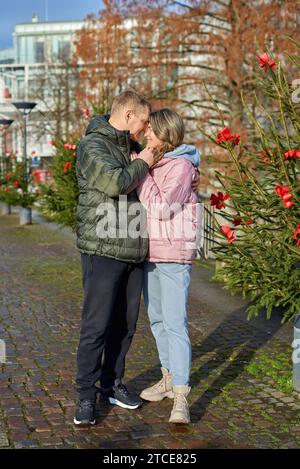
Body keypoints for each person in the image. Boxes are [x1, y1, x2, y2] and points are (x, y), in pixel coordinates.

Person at [74, 90, 155, 426]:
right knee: (96, 325)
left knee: (125, 325)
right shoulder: (93, 146)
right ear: (127, 115)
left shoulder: (129, 146)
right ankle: (85, 395)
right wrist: (145, 160)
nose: (145, 128)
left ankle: (111, 384)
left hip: (133, 247)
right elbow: (114, 182)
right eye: (143, 121)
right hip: (103, 248)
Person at [131, 109, 201, 424]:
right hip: (151, 252)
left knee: (175, 323)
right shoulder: (157, 162)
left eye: (152, 131)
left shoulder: (182, 166)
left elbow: (161, 208)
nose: (147, 135)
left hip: (173, 254)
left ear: (165, 135)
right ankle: (169, 379)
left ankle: (183, 397)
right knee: (157, 321)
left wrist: (142, 171)